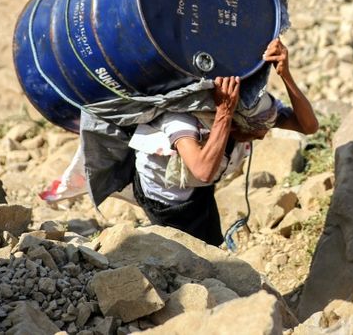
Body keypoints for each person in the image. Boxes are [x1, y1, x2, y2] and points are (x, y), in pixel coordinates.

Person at [130, 38, 319, 246]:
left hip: (200, 187)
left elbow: (308, 126)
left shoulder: (252, 108)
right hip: (166, 197)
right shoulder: (182, 119)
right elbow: (202, 170)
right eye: (256, 132)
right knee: (188, 255)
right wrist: (224, 113)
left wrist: (285, 74)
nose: (262, 135)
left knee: (211, 243)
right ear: (236, 125)